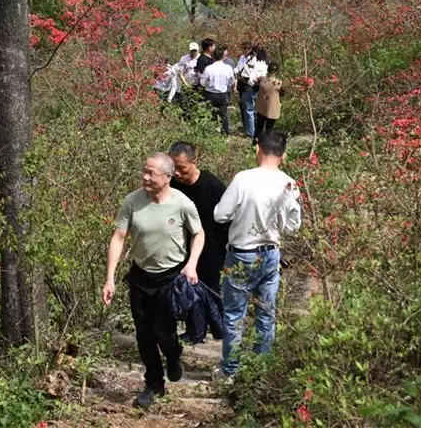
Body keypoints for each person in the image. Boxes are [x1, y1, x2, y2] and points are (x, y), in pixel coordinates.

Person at [103, 153, 205, 408]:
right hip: (140, 276)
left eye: (151, 173)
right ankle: (154, 384)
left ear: (168, 177)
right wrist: (110, 278)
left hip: (171, 278)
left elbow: (199, 234)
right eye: (144, 172)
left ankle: (173, 355)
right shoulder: (132, 201)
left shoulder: (182, 203)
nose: (145, 177)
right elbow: (118, 237)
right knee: (144, 335)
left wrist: (191, 264)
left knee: (164, 332)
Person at [213, 131, 301, 379]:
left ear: (257, 149)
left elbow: (220, 214)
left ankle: (230, 371)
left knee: (234, 315)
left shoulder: (244, 179)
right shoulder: (289, 183)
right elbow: (293, 225)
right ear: (283, 155)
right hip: (271, 254)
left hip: (241, 254)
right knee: (266, 313)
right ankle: (259, 371)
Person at [168, 141, 228, 341]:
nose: (177, 173)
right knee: (188, 288)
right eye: (173, 168)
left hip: (213, 246)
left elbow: (228, 217)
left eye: (182, 169)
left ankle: (220, 330)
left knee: (210, 288)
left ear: (195, 162)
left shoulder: (212, 185)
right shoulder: (173, 185)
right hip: (183, 246)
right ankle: (196, 331)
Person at [199, 46, 235, 135]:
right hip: (223, 94)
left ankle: (213, 132)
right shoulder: (228, 68)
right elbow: (231, 81)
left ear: (213, 56)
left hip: (210, 93)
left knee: (211, 114)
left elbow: (202, 82)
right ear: (223, 56)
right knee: (224, 115)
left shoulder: (209, 68)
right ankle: (225, 133)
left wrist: (209, 85)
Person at [236, 45, 268, 139]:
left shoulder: (257, 62)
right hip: (259, 87)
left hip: (251, 86)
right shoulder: (265, 62)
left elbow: (252, 77)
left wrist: (250, 81)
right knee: (256, 109)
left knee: (249, 109)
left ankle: (251, 132)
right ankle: (257, 131)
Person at [253, 60, 282, 146]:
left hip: (261, 108)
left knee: (259, 127)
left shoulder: (261, 80)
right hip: (272, 109)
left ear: (267, 69)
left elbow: (255, 88)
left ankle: (255, 145)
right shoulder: (278, 83)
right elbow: (283, 93)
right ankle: (266, 147)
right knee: (269, 129)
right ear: (276, 71)